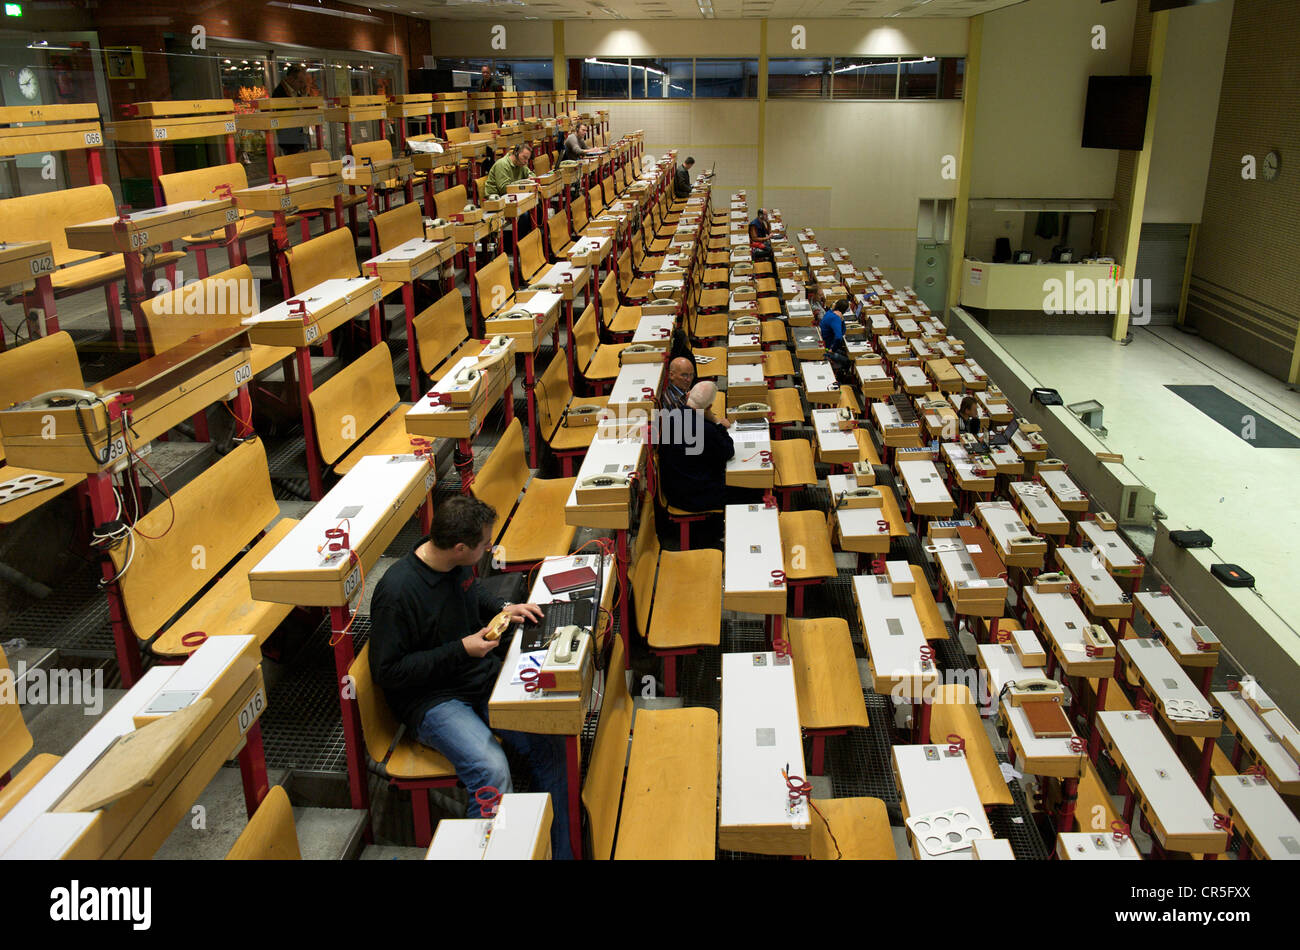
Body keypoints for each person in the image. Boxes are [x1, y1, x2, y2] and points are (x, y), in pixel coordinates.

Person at [367, 496, 573, 859]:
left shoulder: (454, 563)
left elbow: (471, 591)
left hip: (475, 675)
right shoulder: (396, 593)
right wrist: (461, 649)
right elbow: (389, 672)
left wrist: (505, 608)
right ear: (460, 547)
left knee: (549, 739)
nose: (490, 549)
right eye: (485, 545)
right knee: (492, 771)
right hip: (431, 700)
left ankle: (559, 853)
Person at [657, 381, 734, 514]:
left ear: (687, 396)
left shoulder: (671, 418)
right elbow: (728, 451)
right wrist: (716, 421)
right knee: (745, 491)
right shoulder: (707, 430)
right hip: (695, 498)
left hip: (673, 491)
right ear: (709, 407)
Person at [271, 65, 310, 155]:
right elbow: (286, 123)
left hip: (300, 135)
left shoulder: (297, 92)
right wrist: (295, 146)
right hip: (291, 140)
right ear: (291, 79)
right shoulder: (280, 93)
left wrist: (304, 95)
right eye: (300, 82)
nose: (302, 85)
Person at [820, 299, 857, 382]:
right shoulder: (835, 319)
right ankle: (841, 380)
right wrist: (832, 350)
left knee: (845, 354)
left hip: (825, 344)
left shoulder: (830, 312)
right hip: (827, 349)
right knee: (847, 361)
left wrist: (842, 320)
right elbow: (839, 337)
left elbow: (842, 332)